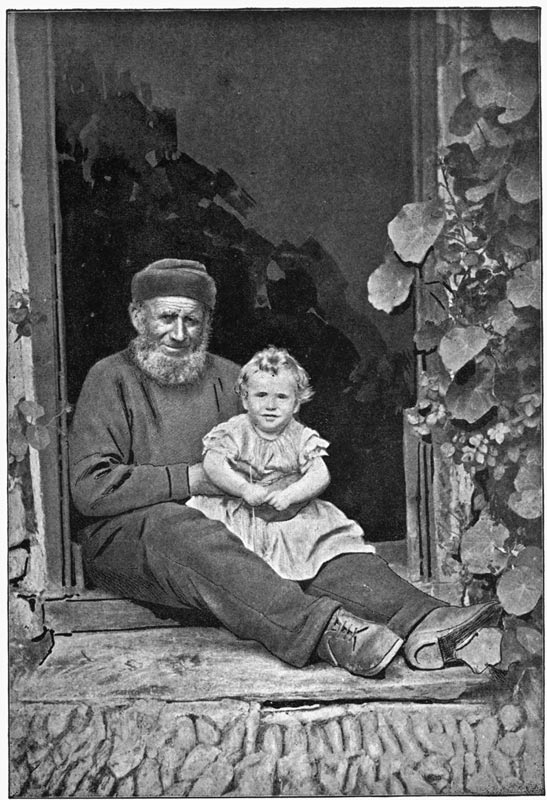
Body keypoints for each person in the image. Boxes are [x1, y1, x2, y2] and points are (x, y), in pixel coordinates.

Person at [69, 258, 502, 679]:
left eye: (192, 321)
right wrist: (191, 478)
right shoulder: (110, 377)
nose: (180, 334)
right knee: (180, 527)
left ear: (207, 321)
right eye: (167, 318)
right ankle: (327, 633)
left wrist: (283, 494)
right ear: (137, 317)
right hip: (131, 538)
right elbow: (90, 488)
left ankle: (425, 619)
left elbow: (274, 451)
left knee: (304, 533)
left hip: (227, 526)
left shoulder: (235, 379)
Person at [187, 346, 376, 581]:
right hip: (240, 511)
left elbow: (320, 473)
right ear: (245, 400)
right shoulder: (235, 430)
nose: (271, 405)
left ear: (296, 404)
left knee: (324, 547)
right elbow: (213, 463)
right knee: (222, 552)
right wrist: (243, 488)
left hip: (288, 513)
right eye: (261, 395)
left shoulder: (300, 436)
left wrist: (291, 494)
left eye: (282, 397)